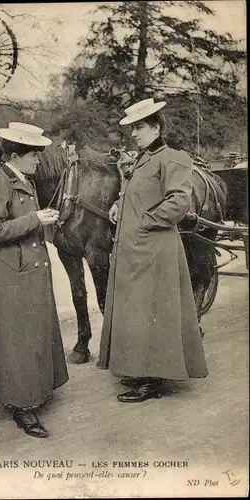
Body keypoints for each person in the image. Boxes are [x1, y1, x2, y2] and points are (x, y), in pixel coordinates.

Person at [97, 98, 208, 403]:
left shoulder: (172, 158)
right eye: (132, 128)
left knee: (153, 310)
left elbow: (178, 200)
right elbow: (141, 194)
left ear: (156, 127)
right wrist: (120, 206)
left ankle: (154, 381)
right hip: (136, 250)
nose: (134, 133)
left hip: (153, 248)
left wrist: (145, 221)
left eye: (140, 127)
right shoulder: (144, 158)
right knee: (138, 311)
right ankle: (141, 370)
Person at [0, 123, 69, 437]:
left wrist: (46, 222)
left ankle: (33, 391)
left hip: (27, 271)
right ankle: (21, 407)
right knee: (16, 340)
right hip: (11, 273)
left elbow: (25, 225)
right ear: (15, 155)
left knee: (30, 334)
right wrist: (34, 219)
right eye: (34, 156)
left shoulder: (23, 180)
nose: (39, 161)